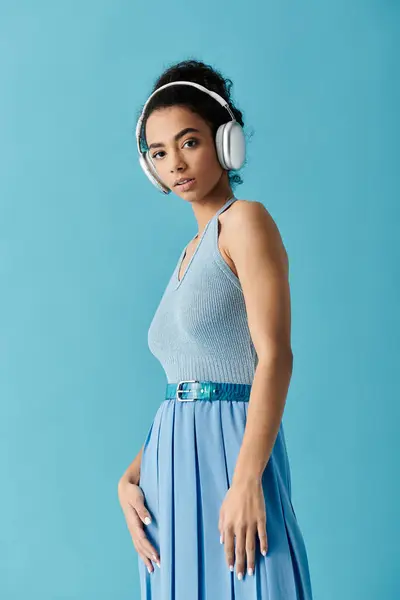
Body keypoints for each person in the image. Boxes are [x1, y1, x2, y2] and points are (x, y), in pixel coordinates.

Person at [117, 58, 313, 599]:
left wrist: (247, 478)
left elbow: (275, 358)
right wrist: (129, 476)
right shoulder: (186, 254)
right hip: (167, 471)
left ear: (225, 144)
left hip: (232, 456)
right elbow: (186, 383)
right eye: (159, 153)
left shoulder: (245, 222)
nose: (175, 163)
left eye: (189, 142)